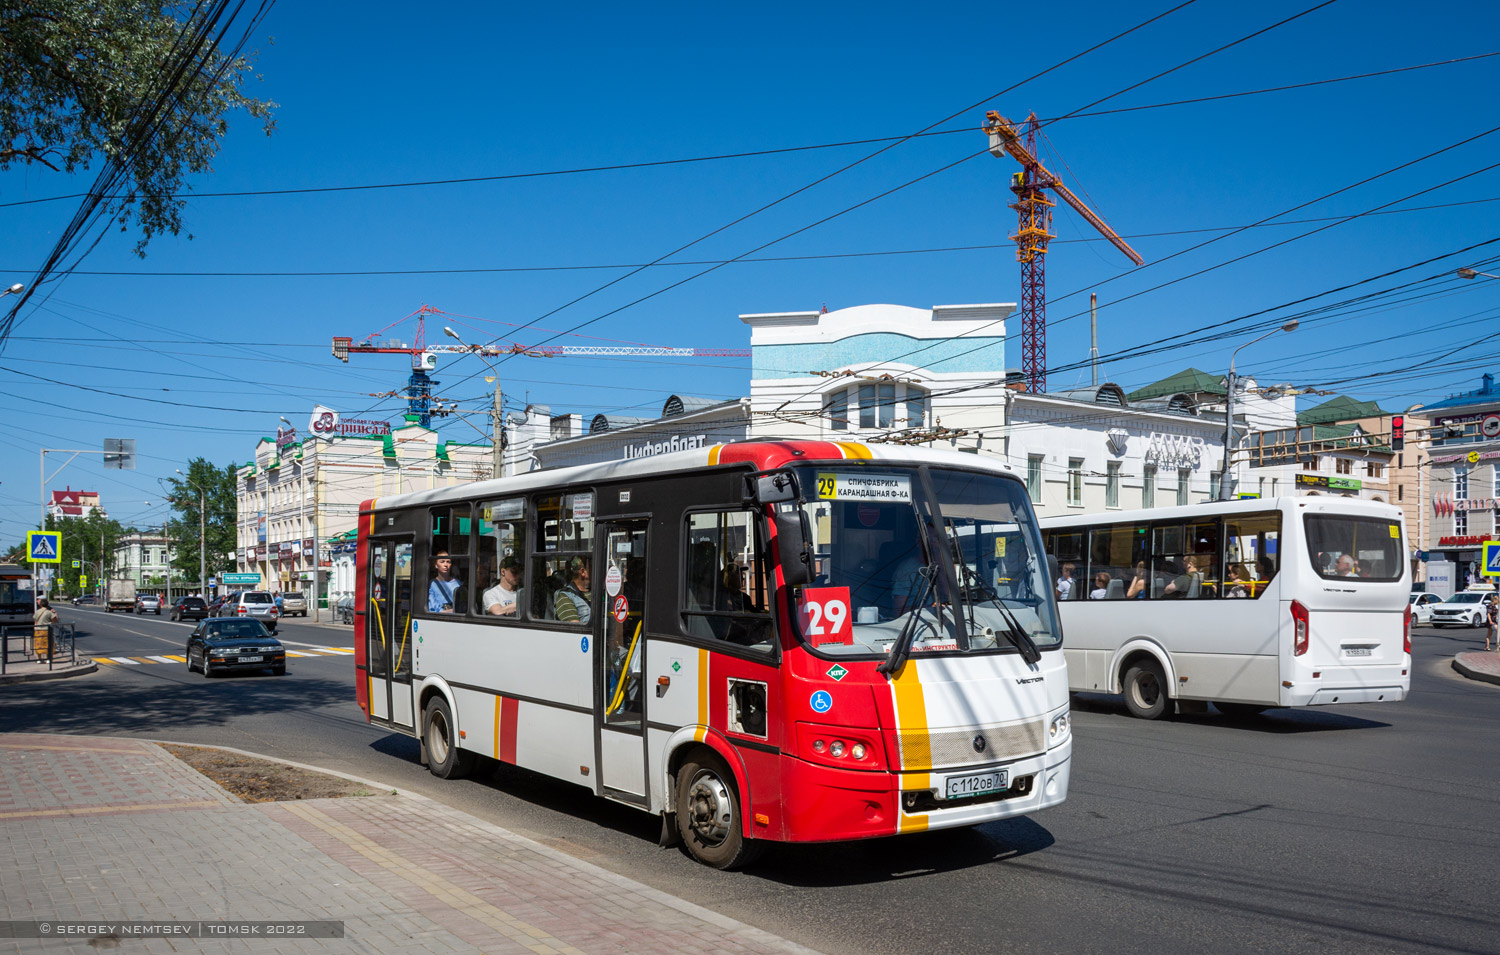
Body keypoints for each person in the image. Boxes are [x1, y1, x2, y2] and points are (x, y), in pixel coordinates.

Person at [554, 556, 591, 624]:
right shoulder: (564, 597)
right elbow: (575, 630)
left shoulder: (598, 592)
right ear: (583, 572)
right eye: (592, 567)